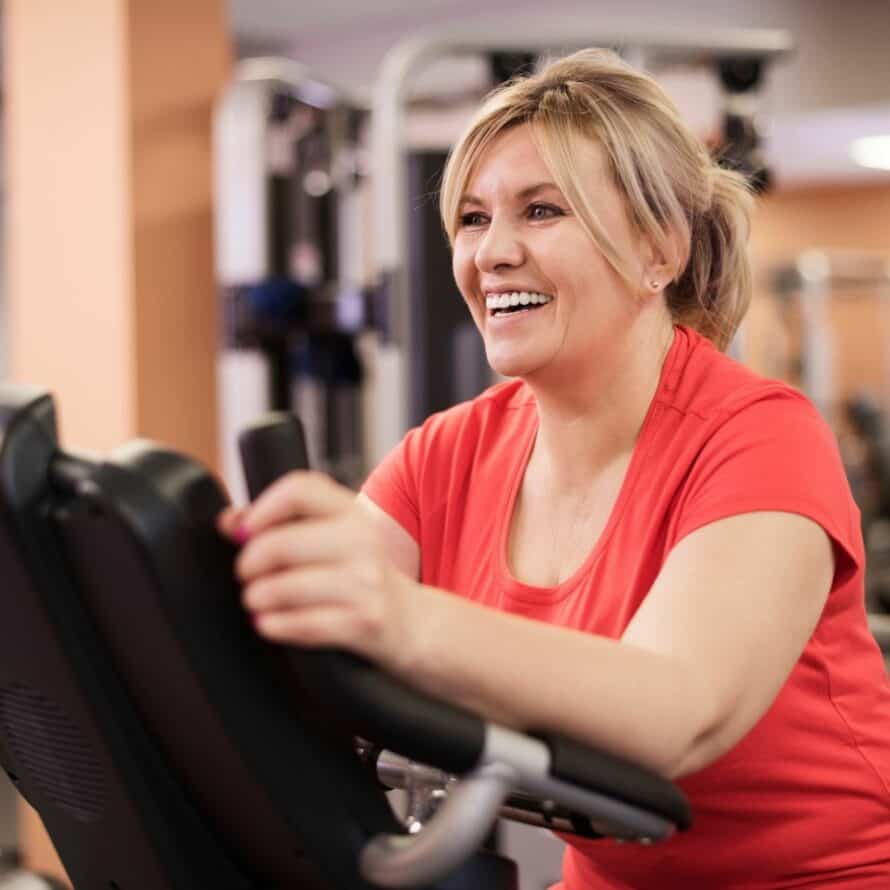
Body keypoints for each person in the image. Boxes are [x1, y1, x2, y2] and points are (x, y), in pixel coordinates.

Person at [218, 49, 890, 889]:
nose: (492, 254)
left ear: (657, 250)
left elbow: (674, 712)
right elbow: (301, 643)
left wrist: (398, 617)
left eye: (540, 211)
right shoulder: (446, 455)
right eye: (471, 219)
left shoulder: (759, 436)